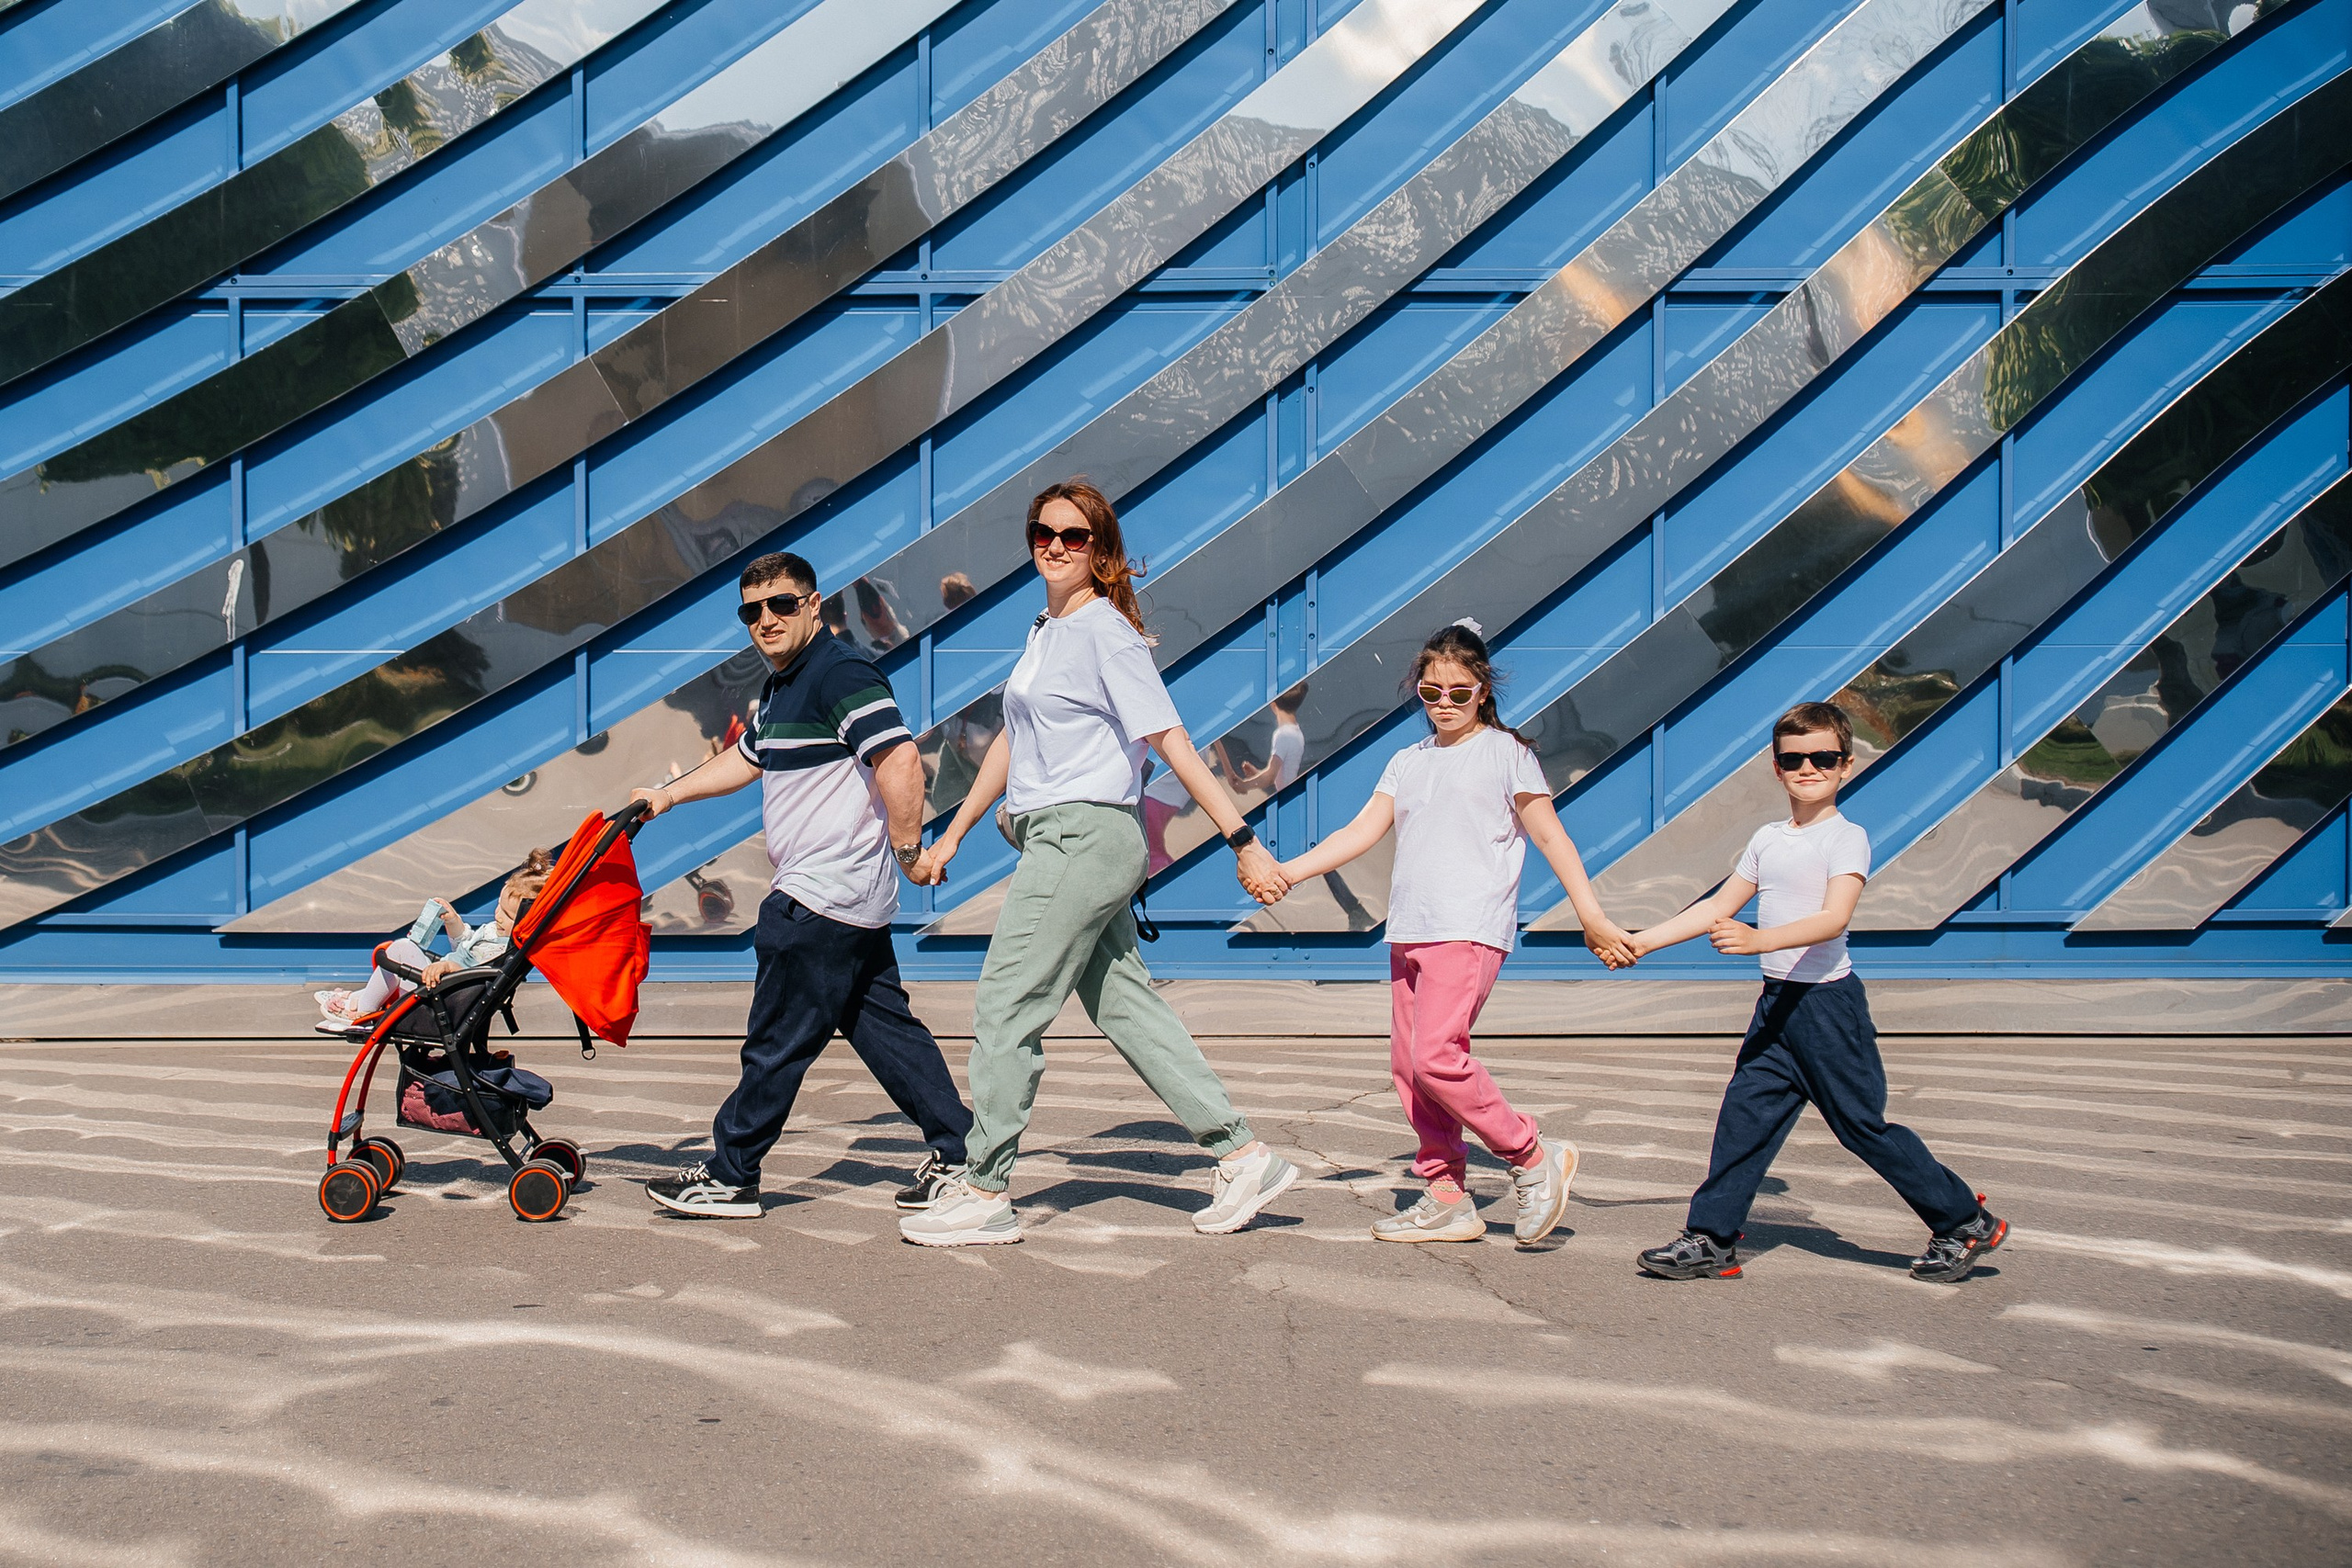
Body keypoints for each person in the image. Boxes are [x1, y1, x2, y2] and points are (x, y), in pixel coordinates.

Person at [899, 479, 1297, 1246]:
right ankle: (1243, 1153)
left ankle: (985, 1189)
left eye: (1073, 536)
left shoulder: (1105, 633)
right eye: (1041, 533)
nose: (1054, 545)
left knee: (1007, 1001)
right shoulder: (1048, 629)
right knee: (1121, 1003)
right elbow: (1014, 739)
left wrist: (1241, 838)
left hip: (1083, 837)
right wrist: (953, 835)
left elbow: (1170, 739)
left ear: (1100, 550)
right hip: (1058, 835)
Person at [630, 551, 974, 1218]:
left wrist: (909, 850)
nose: (766, 620)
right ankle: (965, 1154)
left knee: (775, 1041)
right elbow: (746, 757)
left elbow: (899, 756)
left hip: (819, 896)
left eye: (782, 604)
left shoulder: (839, 672)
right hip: (849, 904)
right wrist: (667, 797)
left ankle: (732, 1175)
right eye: (752, 610)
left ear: (813, 606)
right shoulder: (785, 685)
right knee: (887, 1033)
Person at [1271, 621, 1634, 1246]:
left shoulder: (1505, 753)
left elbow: (1552, 837)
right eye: (1431, 692)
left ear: (1483, 690)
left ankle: (1530, 1153)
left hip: (1468, 928)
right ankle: (1445, 1195)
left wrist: (1591, 914)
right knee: (1411, 1070)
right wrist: (1288, 873)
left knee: (1438, 1057)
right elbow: (1360, 832)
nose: (1444, 703)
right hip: (1410, 930)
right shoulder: (1407, 761)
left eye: (1459, 692)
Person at [1626, 701, 2006, 1284]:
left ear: (1845, 765)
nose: (1808, 768)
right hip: (1777, 1006)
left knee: (1861, 1128)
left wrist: (1760, 941)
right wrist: (1642, 942)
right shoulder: (1767, 838)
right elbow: (1717, 907)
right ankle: (1712, 1239)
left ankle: (1963, 1219)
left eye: (1823, 757)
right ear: (1776, 768)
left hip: (1828, 1009)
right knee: (1743, 1120)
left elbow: (1834, 918)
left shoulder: (1845, 838)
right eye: (1794, 758)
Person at [313, 850, 555, 1033]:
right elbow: (465, 947)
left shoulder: (504, 948)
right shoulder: (496, 933)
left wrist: (450, 967)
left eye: (508, 914)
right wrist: (453, 922)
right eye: (499, 907)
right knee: (397, 952)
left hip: (444, 999)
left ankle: (363, 1012)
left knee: (400, 949)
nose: (497, 915)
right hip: (442, 990)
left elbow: (478, 977)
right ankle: (359, 999)